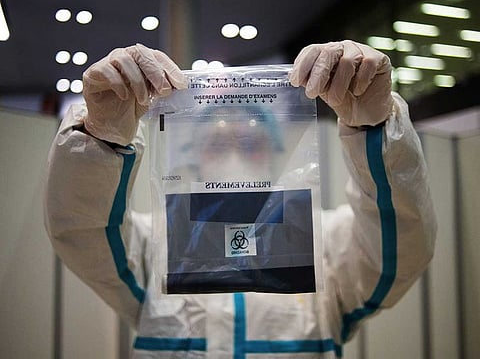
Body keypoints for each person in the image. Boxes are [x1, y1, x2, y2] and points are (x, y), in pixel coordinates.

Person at [44, 40, 436, 358]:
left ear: (275, 156)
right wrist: (99, 139)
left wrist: (377, 128)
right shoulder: (157, 246)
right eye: (217, 143)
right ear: (195, 155)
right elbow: (84, 229)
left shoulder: (325, 243)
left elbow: (401, 241)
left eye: (250, 143)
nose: (234, 155)